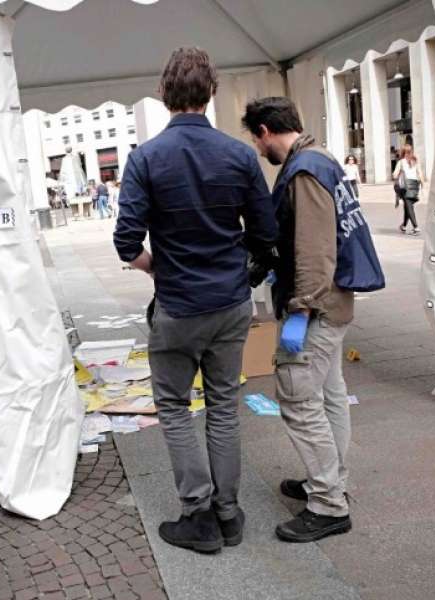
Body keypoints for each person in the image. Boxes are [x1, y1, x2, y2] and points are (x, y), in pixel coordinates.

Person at [114, 47, 278, 554]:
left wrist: (155, 267)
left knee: (175, 405)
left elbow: (126, 242)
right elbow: (266, 231)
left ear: (164, 95)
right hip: (230, 303)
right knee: (224, 406)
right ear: (211, 93)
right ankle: (228, 514)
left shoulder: (145, 158)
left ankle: (198, 514)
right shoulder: (238, 155)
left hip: (179, 305)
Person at [242, 97, 383, 543]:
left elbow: (314, 250)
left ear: (265, 131)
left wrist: (299, 312)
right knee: (328, 396)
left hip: (316, 307)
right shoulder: (322, 158)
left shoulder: (303, 171)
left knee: (298, 397)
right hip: (335, 302)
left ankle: (328, 504)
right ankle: (328, 480)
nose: (258, 148)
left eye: (255, 138)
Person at [392, 145, 424, 235]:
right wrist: (422, 186)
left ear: (403, 152)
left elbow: (394, 175)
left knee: (408, 206)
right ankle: (404, 226)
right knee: (408, 206)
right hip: (414, 186)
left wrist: (398, 174)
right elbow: (420, 175)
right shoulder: (415, 161)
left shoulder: (401, 162)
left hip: (405, 187)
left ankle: (416, 227)